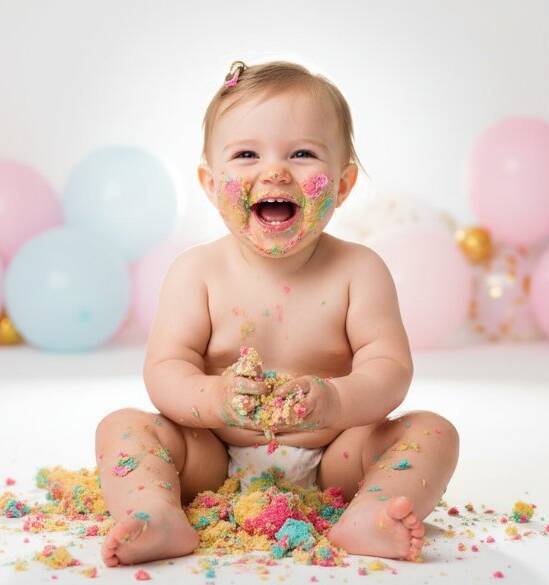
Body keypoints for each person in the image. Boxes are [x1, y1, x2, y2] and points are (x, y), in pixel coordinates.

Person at [96, 60, 459, 566]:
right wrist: (215, 398)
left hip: (335, 458)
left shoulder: (360, 270)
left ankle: (370, 515)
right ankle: (155, 512)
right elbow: (166, 370)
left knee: (432, 432)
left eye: (302, 153)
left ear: (342, 185)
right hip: (212, 457)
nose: (275, 172)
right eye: (246, 154)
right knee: (122, 426)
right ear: (210, 182)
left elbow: (390, 370)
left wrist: (335, 401)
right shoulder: (197, 272)